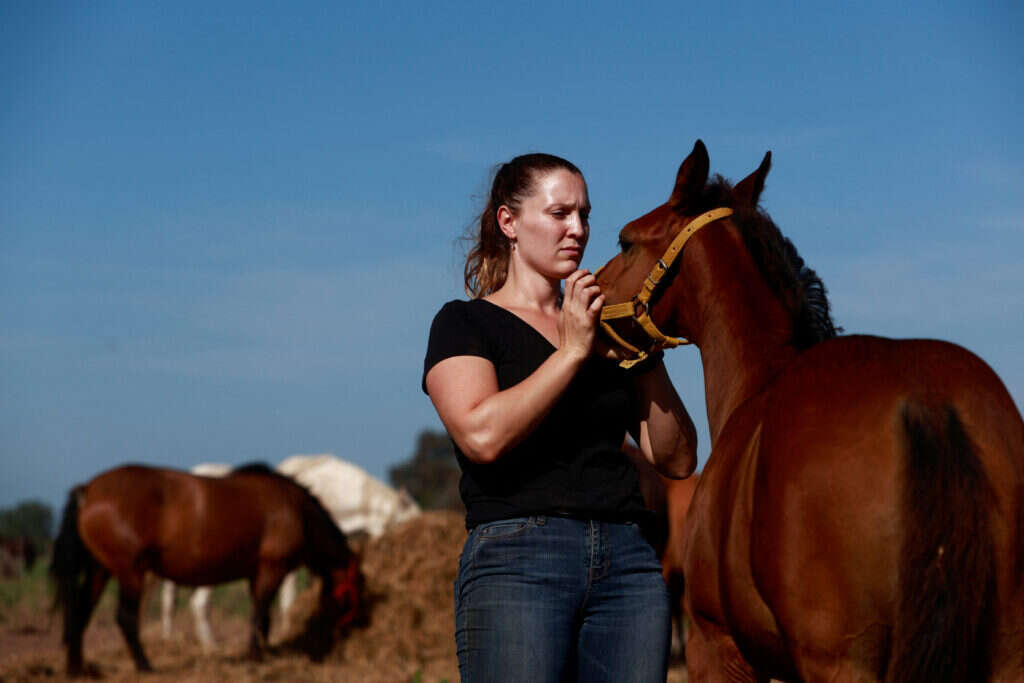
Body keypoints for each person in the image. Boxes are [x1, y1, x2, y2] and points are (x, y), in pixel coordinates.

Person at [422, 153, 697, 682]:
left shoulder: (605, 332)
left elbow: (678, 458)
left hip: (629, 563)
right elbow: (481, 434)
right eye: (560, 214)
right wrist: (571, 352)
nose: (579, 230)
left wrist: (646, 354)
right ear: (509, 223)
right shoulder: (466, 324)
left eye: (585, 215)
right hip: (519, 559)